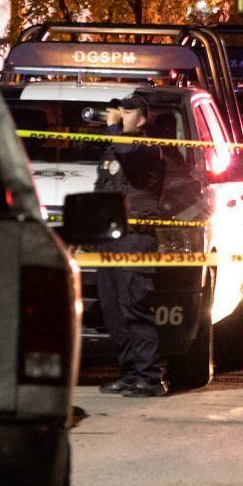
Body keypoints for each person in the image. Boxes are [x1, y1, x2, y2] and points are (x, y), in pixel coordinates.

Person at [95, 97, 169, 397]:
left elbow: (127, 150)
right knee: (113, 310)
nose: (120, 116)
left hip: (135, 237)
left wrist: (113, 126)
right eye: (118, 110)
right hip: (110, 239)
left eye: (128, 112)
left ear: (141, 121)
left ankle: (150, 377)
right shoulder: (113, 149)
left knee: (134, 307)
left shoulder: (145, 148)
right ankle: (128, 374)